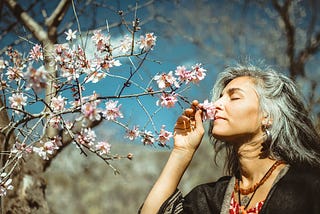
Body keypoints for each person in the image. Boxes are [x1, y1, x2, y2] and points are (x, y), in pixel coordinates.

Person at [139, 63, 320, 214]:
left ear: (268, 116)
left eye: (234, 97)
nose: (216, 104)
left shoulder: (308, 186)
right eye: (219, 98)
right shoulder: (209, 199)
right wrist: (182, 151)